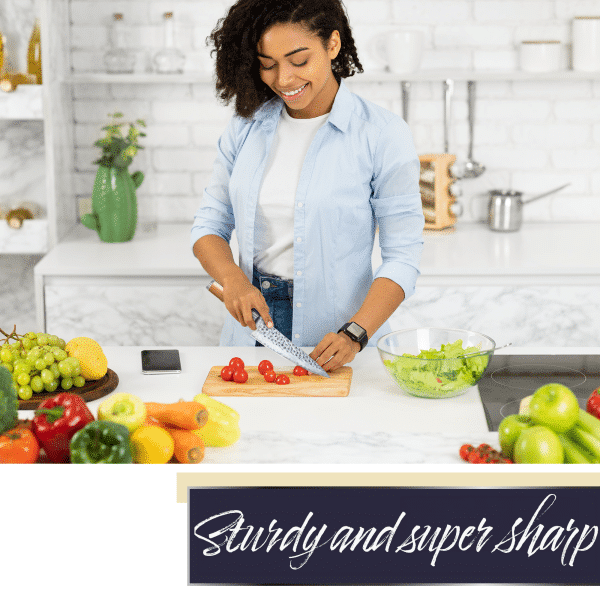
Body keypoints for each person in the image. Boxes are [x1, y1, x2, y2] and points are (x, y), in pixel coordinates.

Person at [191, 0, 424, 372]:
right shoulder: (245, 127)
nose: (283, 79)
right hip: (251, 333)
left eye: (299, 61)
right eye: (268, 64)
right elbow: (209, 226)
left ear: (332, 45)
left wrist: (355, 333)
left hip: (340, 340)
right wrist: (233, 281)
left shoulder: (381, 134)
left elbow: (403, 257)